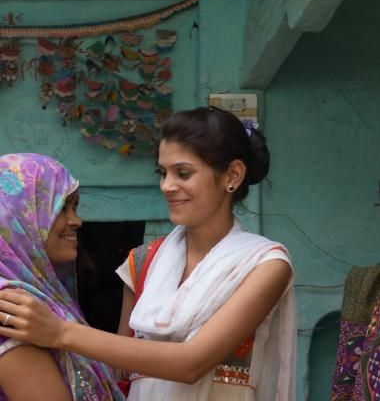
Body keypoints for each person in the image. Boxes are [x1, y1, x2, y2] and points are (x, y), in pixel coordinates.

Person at [0, 107, 297, 401]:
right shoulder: (143, 261)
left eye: (183, 173)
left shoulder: (264, 264)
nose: (167, 186)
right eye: (162, 172)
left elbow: (192, 363)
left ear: (232, 174)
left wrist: (60, 333)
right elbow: (121, 369)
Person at [0, 153, 125, 400]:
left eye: (75, 207)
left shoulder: (34, 296)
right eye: (60, 208)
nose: (76, 221)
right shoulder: (11, 308)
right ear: (18, 215)